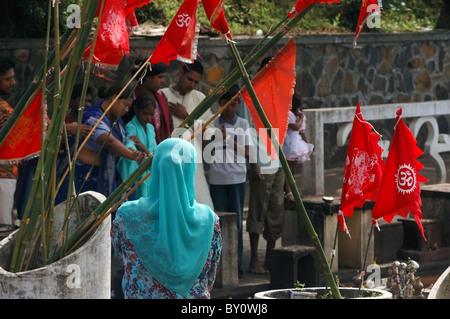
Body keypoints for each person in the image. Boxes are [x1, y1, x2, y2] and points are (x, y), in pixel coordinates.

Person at [111, 138, 222, 299]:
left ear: (156, 168)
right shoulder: (210, 220)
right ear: (190, 170)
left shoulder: (127, 215)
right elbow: (210, 275)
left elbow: (121, 255)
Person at [206, 84, 259, 278]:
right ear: (220, 103)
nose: (230, 108)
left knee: (236, 223)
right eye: (227, 104)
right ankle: (218, 264)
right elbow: (206, 149)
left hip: (236, 177)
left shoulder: (243, 124)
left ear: (238, 104)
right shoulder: (212, 123)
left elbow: (247, 152)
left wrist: (228, 140)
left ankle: (236, 264)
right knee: (218, 223)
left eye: (234, 104)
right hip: (217, 178)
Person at [245, 56, 286, 274]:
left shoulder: (280, 96)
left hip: (278, 164)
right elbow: (246, 134)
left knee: (275, 214)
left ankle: (269, 260)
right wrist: (254, 165)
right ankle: (254, 261)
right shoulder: (252, 95)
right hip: (260, 163)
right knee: (257, 214)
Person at [73, 85, 146, 198]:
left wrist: (131, 150)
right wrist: (132, 155)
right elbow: (109, 142)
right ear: (114, 98)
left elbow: (122, 143)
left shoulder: (118, 122)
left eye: (129, 107)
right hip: (83, 177)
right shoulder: (93, 117)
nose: (127, 110)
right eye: (125, 104)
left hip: (102, 177)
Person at [161, 60, 215, 210]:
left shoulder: (199, 97)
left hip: (193, 159)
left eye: (196, 82)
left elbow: (209, 131)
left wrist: (187, 117)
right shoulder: (162, 95)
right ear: (180, 73)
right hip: (169, 158)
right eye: (189, 79)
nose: (192, 85)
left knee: (201, 203)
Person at [117, 94, 157, 200]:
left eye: (151, 114)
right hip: (138, 173)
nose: (148, 118)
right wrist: (135, 152)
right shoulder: (131, 126)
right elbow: (129, 145)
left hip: (149, 175)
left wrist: (143, 148)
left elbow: (155, 152)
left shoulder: (151, 128)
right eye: (145, 114)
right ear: (135, 109)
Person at [282, 94, 314, 201]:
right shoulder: (289, 115)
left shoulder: (298, 116)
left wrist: (307, 145)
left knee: (293, 170)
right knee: (288, 169)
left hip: (297, 144)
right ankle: (287, 192)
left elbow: (301, 131)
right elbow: (295, 127)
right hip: (289, 143)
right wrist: (300, 118)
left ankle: (291, 190)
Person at [133, 61, 172, 144]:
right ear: (148, 78)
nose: (163, 81)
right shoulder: (133, 97)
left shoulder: (161, 97)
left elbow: (169, 122)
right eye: (160, 77)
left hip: (162, 144)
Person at [0, 56, 17, 235]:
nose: (12, 82)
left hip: (6, 175)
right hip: (3, 175)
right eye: (7, 79)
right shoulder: (3, 109)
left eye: (13, 77)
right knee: (3, 230)